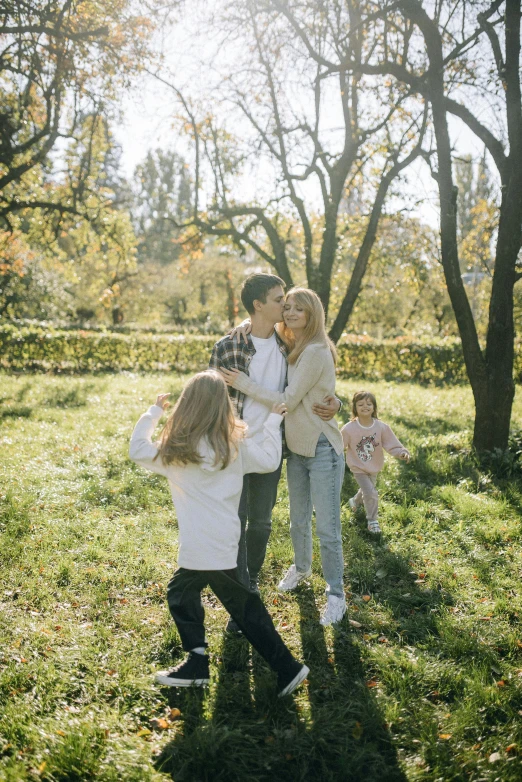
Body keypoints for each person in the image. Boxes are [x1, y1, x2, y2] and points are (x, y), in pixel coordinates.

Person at [129, 370, 309, 697]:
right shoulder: (233, 447)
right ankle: (207, 662)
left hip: (200, 546)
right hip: (224, 541)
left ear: (187, 406)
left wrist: (153, 412)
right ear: (222, 407)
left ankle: (282, 666)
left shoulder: (176, 451)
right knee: (200, 596)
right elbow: (270, 460)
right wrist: (271, 421)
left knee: (206, 599)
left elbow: (137, 449)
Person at [209, 273, 341, 631]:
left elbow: (312, 384)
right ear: (258, 305)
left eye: (289, 300)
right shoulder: (228, 346)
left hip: (271, 445)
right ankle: (242, 597)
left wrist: (337, 401)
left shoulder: (288, 344)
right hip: (234, 444)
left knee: (262, 522)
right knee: (234, 521)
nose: (286, 305)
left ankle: (251, 579)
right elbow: (210, 398)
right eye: (280, 299)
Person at [341, 390, 410, 534]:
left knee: (367, 491)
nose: (365, 406)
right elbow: (338, 446)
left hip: (374, 466)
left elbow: (392, 444)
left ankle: (355, 501)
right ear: (355, 408)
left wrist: (401, 452)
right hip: (358, 467)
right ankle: (372, 521)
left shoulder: (381, 427)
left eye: (368, 404)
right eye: (360, 404)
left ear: (374, 407)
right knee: (371, 492)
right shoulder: (349, 428)